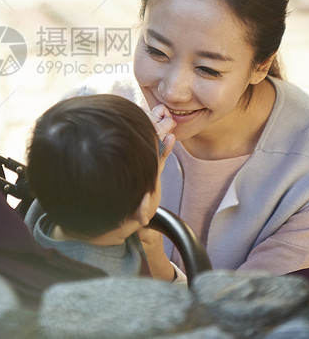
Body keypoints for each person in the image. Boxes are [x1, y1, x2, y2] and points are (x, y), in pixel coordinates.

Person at [74, 0, 309, 275]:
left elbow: (244, 319)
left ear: (261, 65)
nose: (172, 91)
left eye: (208, 70)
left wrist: (147, 244)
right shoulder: (94, 112)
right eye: (156, 51)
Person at [23, 94, 186, 282]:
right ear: (141, 209)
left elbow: (89, 158)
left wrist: (143, 145)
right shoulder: (122, 284)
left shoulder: (50, 200)